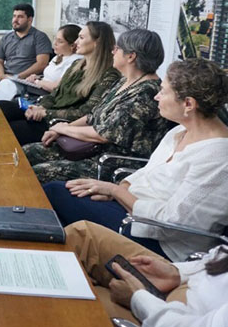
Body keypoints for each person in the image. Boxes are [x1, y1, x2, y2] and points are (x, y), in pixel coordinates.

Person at [42, 59, 228, 260]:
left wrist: (115, 191)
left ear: (188, 104)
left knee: (55, 194)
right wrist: (117, 192)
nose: (156, 96)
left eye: (163, 91)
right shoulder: (179, 131)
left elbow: (171, 224)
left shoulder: (218, 158)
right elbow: (146, 174)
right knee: (60, 193)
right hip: (132, 212)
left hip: (159, 243)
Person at [23, 28, 170, 184]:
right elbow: (93, 115)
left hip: (110, 162)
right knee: (26, 153)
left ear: (131, 56)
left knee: (36, 173)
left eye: (117, 48)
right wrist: (59, 130)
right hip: (88, 148)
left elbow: (105, 134)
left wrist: (64, 129)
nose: (113, 52)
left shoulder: (147, 92)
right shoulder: (124, 81)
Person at [67, 220, 228, 326]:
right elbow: (218, 256)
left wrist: (138, 299)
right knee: (82, 234)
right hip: (183, 283)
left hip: (163, 316)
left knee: (69, 305)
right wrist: (177, 273)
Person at [0, 22, 120, 145]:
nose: (76, 42)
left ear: (97, 42)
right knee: (0, 107)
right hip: (47, 112)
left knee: (7, 130)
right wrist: (39, 108)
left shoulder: (109, 75)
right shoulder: (76, 65)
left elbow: (86, 113)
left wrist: (45, 113)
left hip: (60, 123)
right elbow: (55, 94)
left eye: (81, 38)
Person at [0, 23, 83, 100]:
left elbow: (57, 87)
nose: (54, 43)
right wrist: (37, 77)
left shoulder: (75, 61)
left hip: (44, 95)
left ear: (72, 45)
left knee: (7, 87)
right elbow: (49, 77)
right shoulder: (58, 56)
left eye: (60, 41)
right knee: (5, 84)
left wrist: (37, 82)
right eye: (55, 39)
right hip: (35, 88)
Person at [0, 3, 53, 91]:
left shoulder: (40, 37)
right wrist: (1, 76)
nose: (15, 20)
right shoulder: (6, 38)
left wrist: (17, 77)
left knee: (5, 92)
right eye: (14, 16)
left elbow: (42, 64)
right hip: (4, 77)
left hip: (25, 80)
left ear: (30, 20)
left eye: (20, 17)